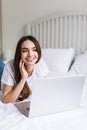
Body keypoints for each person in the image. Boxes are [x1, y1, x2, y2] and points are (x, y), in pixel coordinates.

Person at [1, 35, 49, 103]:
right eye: (25, 51)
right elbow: (5, 100)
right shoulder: (10, 66)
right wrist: (23, 79)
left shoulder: (40, 63)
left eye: (34, 50)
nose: (30, 54)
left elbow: (44, 90)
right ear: (19, 53)